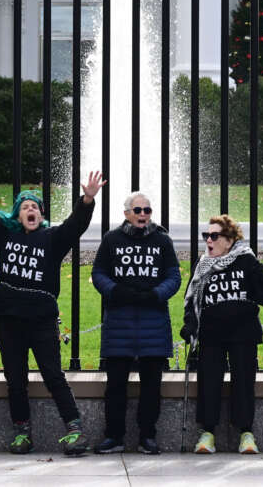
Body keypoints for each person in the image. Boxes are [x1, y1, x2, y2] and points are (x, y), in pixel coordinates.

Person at [0, 163, 105, 456]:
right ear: (18, 214)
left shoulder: (52, 240)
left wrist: (87, 200)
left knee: (53, 375)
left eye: (36, 207)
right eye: (26, 206)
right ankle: (22, 433)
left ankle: (75, 429)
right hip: (10, 320)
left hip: (41, 320)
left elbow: (74, 226)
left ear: (41, 215)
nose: (32, 210)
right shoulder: (6, 236)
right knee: (15, 379)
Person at [91, 192, 181, 455]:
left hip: (153, 323)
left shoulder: (162, 240)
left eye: (148, 210)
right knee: (115, 386)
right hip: (120, 323)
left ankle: (147, 436)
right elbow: (98, 273)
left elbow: (173, 276)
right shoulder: (112, 239)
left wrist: (156, 294)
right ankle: (114, 436)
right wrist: (116, 291)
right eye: (138, 210)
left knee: (151, 388)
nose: (143, 215)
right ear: (127, 213)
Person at [181, 214, 263, 455]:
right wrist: (190, 325)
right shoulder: (203, 265)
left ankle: (246, 433)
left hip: (243, 333)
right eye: (206, 236)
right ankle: (207, 433)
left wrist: (257, 271)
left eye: (214, 236)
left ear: (230, 240)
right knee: (208, 382)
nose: (208, 241)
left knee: (243, 381)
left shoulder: (247, 262)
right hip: (211, 334)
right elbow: (192, 300)